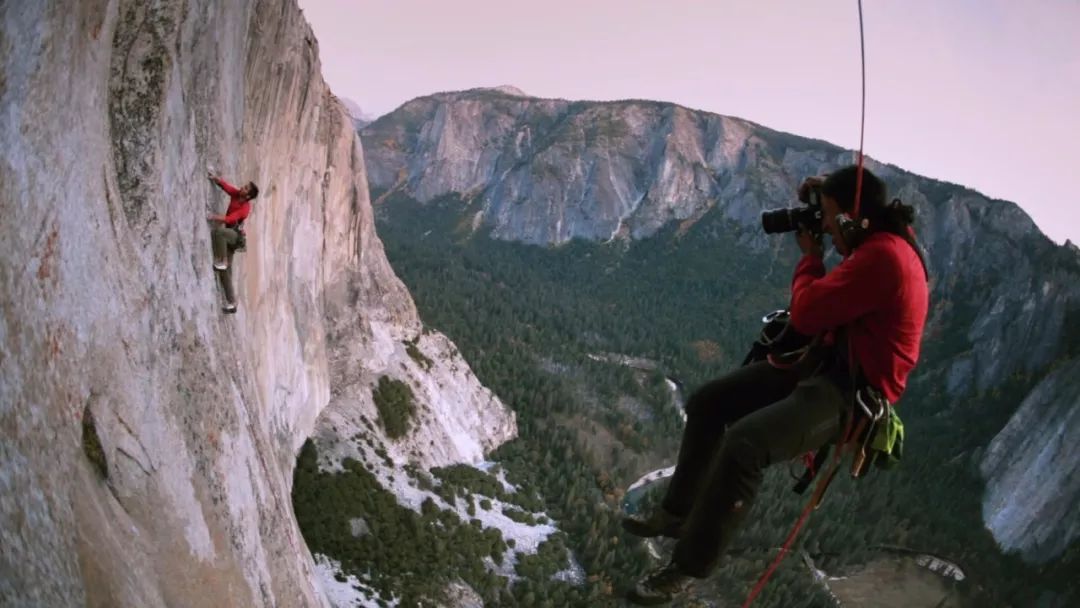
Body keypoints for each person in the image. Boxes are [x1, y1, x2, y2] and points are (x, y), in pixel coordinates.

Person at [622, 165, 930, 605]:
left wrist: (810, 257)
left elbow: (806, 313)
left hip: (848, 392)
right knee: (709, 403)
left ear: (851, 218)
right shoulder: (876, 236)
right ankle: (675, 514)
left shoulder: (884, 257)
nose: (822, 225)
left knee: (745, 445)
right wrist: (824, 191)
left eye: (828, 216)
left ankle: (686, 569)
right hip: (821, 363)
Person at [207, 171, 259, 314]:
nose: (243, 187)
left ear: (248, 196)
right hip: (230, 235)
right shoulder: (237, 195)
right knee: (225, 272)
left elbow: (231, 219)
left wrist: (213, 217)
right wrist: (216, 179)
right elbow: (227, 188)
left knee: (219, 232)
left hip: (236, 237)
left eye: (246, 188)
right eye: (245, 186)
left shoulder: (245, 208)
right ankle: (232, 303)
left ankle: (222, 259)